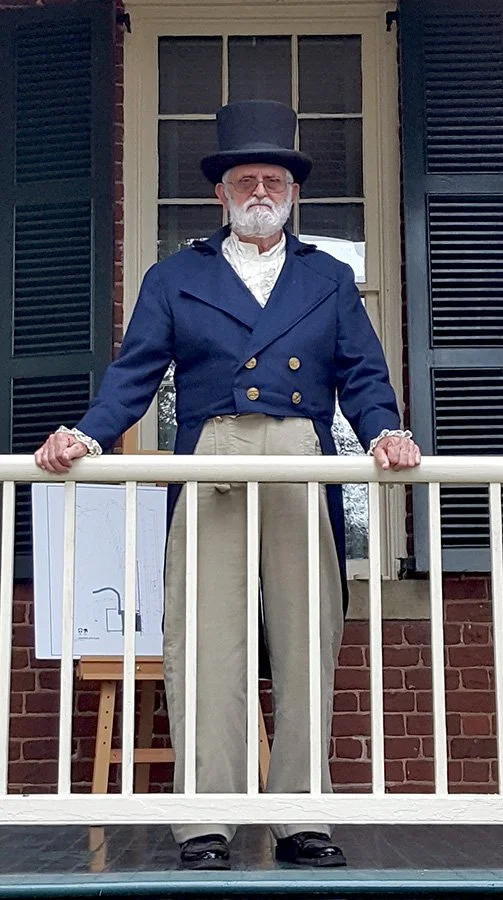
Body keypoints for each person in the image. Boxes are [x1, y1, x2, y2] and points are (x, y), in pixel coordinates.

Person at [35, 100, 421, 870]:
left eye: (271, 178)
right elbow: (134, 374)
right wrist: (86, 433)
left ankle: (300, 816)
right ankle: (204, 820)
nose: (257, 190)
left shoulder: (328, 277)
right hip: (208, 454)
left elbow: (362, 376)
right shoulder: (176, 275)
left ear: (291, 192)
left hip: (298, 455)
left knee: (308, 635)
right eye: (242, 178)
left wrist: (384, 429)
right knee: (204, 643)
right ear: (219, 192)